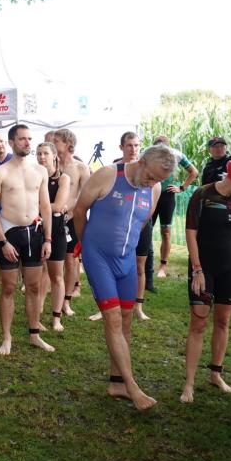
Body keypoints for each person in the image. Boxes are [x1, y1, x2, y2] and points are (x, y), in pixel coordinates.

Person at [71, 144, 174, 411]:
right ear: (141, 162)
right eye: (150, 176)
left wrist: (125, 247)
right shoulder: (108, 175)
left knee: (126, 319)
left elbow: (141, 221)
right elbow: (79, 211)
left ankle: (116, 383)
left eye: (158, 180)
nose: (151, 183)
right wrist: (86, 244)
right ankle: (132, 386)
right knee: (114, 319)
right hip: (99, 257)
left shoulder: (154, 188)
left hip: (126, 260)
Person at [180, 156, 231, 404]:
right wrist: (197, 269)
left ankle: (216, 374)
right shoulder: (203, 194)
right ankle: (189, 384)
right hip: (203, 268)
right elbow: (191, 232)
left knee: (223, 321)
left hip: (228, 269)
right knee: (199, 323)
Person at [0, 125, 54, 355]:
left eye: (29, 139)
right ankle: (7, 338)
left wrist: (48, 238)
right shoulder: (0, 172)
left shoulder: (40, 171)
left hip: (34, 234)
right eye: (22, 139)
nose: (27, 143)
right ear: (11, 142)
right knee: (8, 287)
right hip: (10, 233)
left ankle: (34, 334)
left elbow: (45, 207)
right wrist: (3, 242)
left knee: (34, 287)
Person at [90, 131, 152, 322]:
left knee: (139, 265)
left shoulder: (150, 178)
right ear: (121, 147)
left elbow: (146, 216)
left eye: (136, 145)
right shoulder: (112, 171)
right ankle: (105, 306)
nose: (133, 149)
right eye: (129, 145)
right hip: (110, 236)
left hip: (136, 229)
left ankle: (138, 306)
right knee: (106, 274)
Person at [53, 128, 91, 315]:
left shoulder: (81, 168)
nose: (53, 144)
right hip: (52, 218)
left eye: (57, 141)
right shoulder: (50, 166)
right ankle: (48, 299)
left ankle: (66, 301)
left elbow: (86, 197)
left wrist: (70, 212)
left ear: (68, 143)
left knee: (70, 261)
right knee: (50, 262)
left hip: (72, 220)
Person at [149, 135, 198, 279]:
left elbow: (194, 172)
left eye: (164, 149)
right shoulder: (148, 154)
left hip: (167, 196)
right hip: (151, 195)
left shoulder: (177, 155)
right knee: (145, 230)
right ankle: (144, 264)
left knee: (166, 232)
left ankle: (162, 267)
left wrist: (181, 188)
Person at [36, 142, 70, 332]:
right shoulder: (33, 175)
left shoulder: (63, 178)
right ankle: (38, 309)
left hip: (56, 230)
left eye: (45, 153)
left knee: (56, 275)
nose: (42, 157)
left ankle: (56, 317)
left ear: (54, 155)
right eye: (39, 153)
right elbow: (55, 206)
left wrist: (36, 205)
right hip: (36, 229)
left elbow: (58, 206)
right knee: (39, 272)